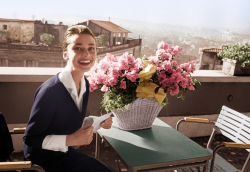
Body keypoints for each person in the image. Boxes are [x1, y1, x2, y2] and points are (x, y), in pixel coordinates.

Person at [23, 25, 114, 172]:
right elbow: (31, 139)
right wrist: (70, 140)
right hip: (43, 160)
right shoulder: (50, 91)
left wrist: (97, 122)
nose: (87, 54)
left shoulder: (84, 83)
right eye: (78, 48)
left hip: (64, 152)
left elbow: (69, 122)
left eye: (91, 48)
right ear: (65, 54)